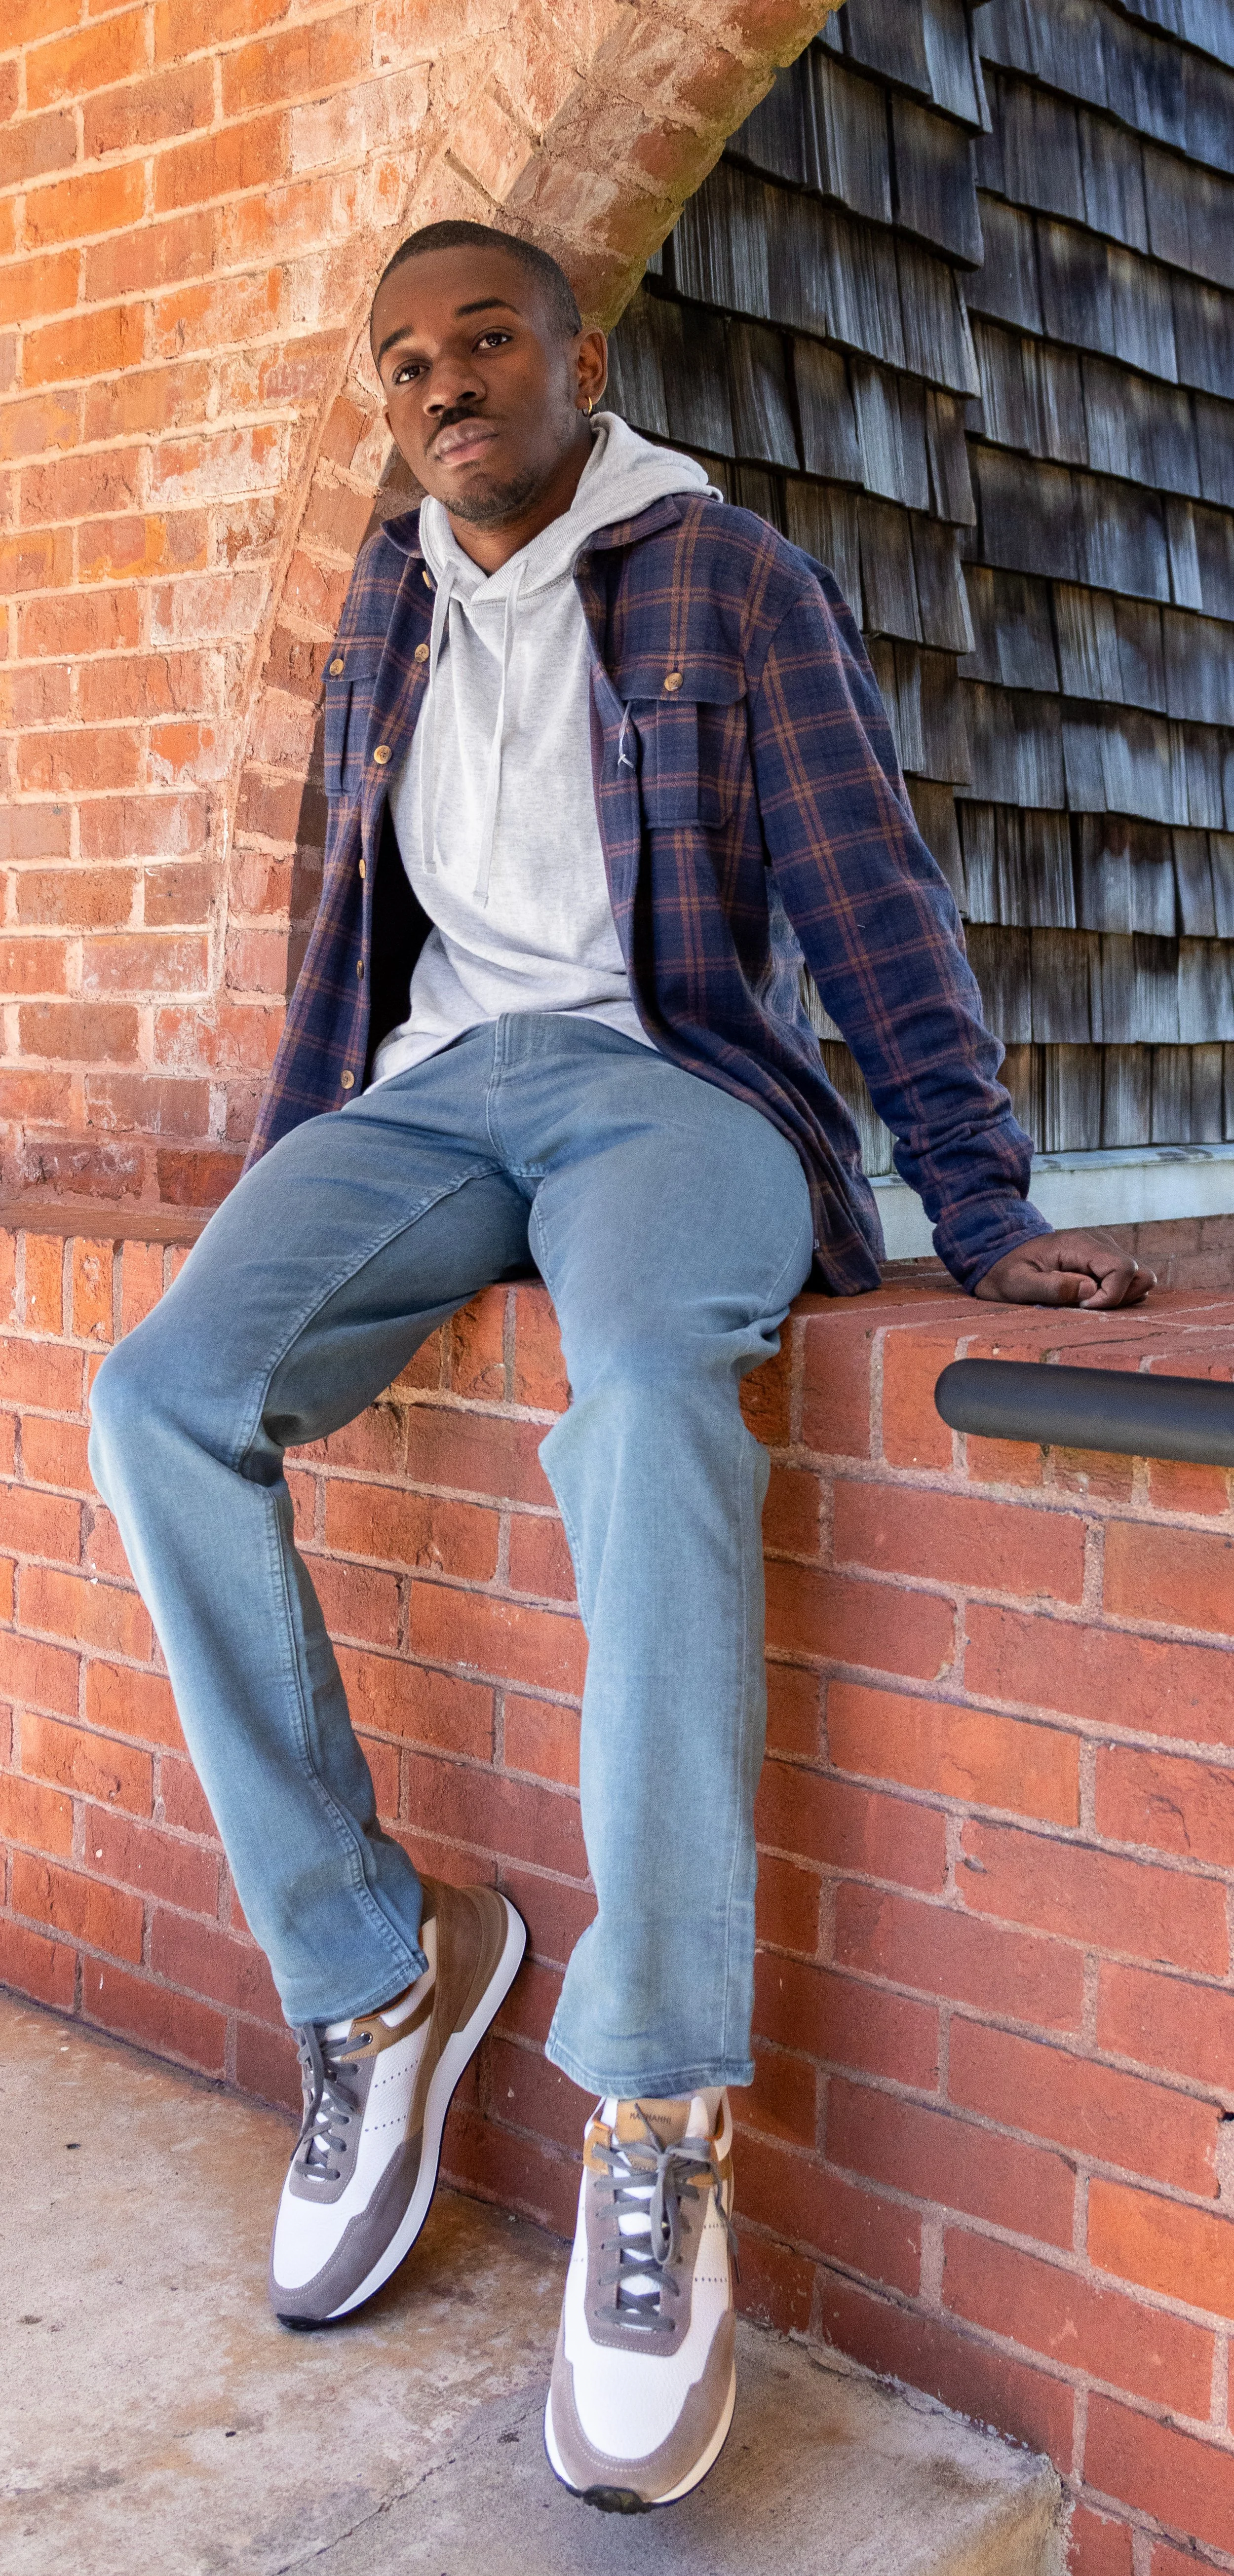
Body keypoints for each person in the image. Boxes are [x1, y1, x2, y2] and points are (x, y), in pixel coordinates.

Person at [89, 217, 1154, 2515]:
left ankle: (657, 2107)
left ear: (583, 359)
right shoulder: (387, 597)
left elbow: (870, 902)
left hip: (670, 1097)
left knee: (654, 1400)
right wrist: (294, 1184)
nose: (444, 387)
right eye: (406, 364)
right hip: (425, 1107)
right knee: (158, 1396)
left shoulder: (726, 578)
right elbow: (341, 928)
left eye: (485, 341)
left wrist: (982, 1210)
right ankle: (374, 1976)